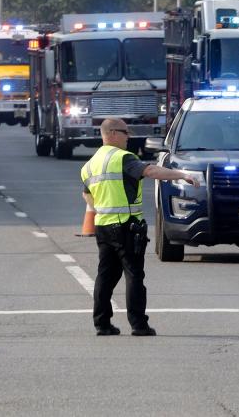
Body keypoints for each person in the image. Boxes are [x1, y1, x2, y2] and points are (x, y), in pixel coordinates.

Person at [81, 118, 198, 336]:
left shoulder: (90, 164)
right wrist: (183, 175)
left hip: (103, 228)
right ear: (113, 134)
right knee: (134, 275)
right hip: (125, 226)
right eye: (126, 132)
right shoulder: (122, 158)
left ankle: (102, 324)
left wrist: (101, 209)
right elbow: (152, 172)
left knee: (105, 276)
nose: (129, 137)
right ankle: (138, 324)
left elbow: (86, 193)